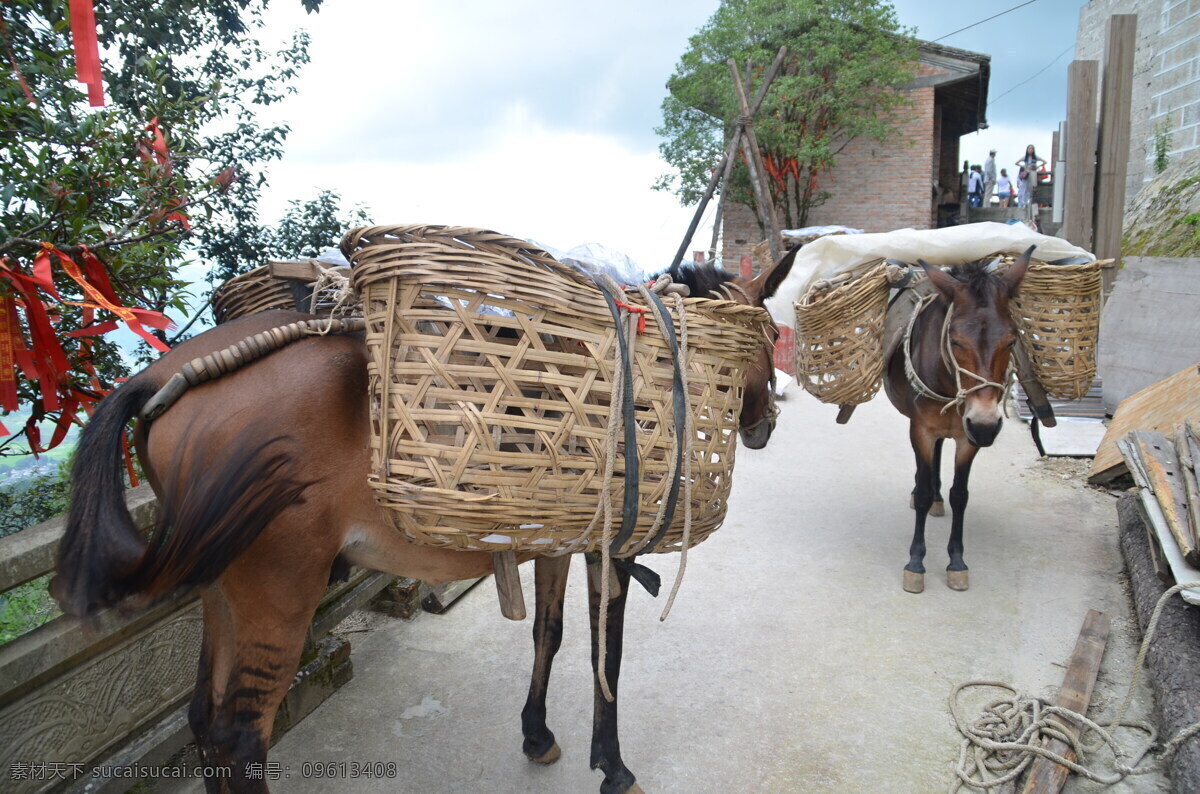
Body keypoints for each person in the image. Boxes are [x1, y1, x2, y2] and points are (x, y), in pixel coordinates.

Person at [1015, 144, 1045, 209]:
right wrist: (1024, 166)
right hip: (1026, 174)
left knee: (1032, 189)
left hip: (1033, 173)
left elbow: (1044, 161)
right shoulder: (1025, 157)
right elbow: (1016, 163)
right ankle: (1024, 203)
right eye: (1029, 149)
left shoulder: (1035, 157)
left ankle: (1031, 202)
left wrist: (1037, 166)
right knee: (1025, 189)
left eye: (1032, 149)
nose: (1030, 150)